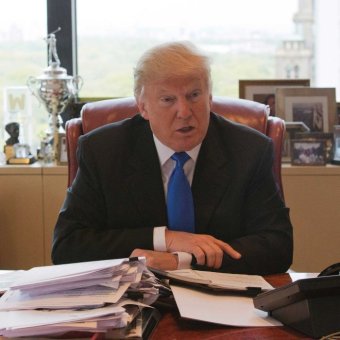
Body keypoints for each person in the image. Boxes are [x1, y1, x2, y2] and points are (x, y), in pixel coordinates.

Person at [52, 41, 293, 275]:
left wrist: (182, 260)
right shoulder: (104, 150)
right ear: (143, 107)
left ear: (210, 97)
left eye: (194, 95)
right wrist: (165, 239)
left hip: (218, 300)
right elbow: (67, 245)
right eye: (168, 100)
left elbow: (278, 246)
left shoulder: (248, 150)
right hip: (134, 301)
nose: (185, 112)